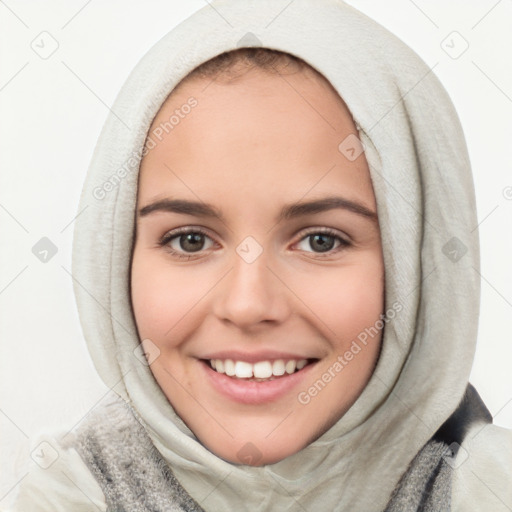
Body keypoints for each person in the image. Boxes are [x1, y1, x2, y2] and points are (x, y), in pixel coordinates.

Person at [8, 0, 511, 511]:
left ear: (416, 265)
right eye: (191, 240)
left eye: (321, 241)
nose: (248, 305)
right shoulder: (70, 496)